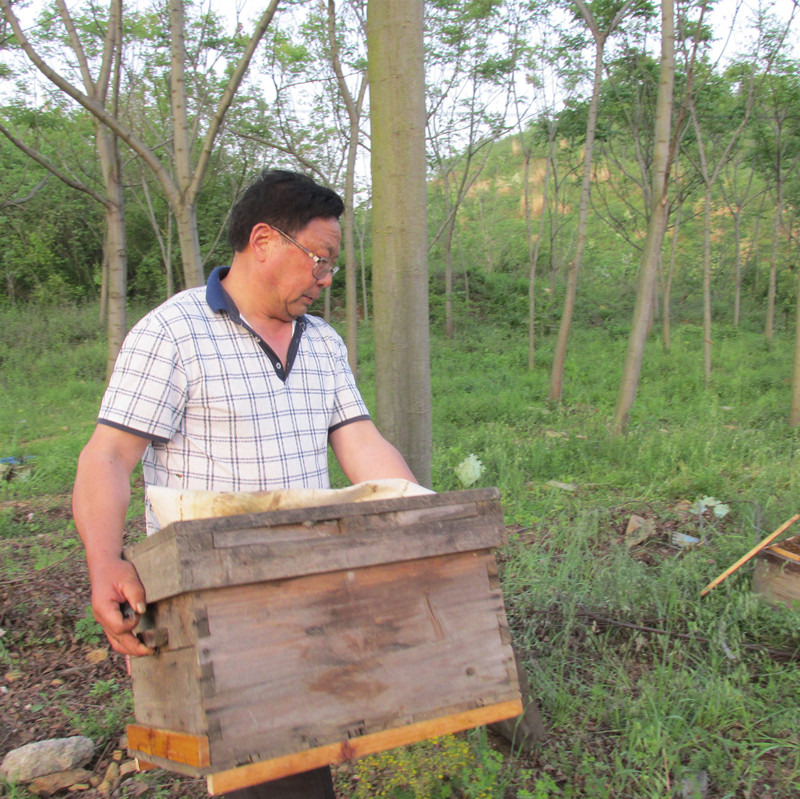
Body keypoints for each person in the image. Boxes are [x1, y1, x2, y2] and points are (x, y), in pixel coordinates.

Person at [72, 169, 418, 798]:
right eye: (319, 259)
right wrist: (104, 562)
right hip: (213, 606)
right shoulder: (173, 334)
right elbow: (106, 457)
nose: (326, 278)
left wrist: (418, 518)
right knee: (263, 773)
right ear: (263, 241)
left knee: (306, 753)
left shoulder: (322, 342)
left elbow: (361, 442)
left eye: (331, 264)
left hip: (309, 594)